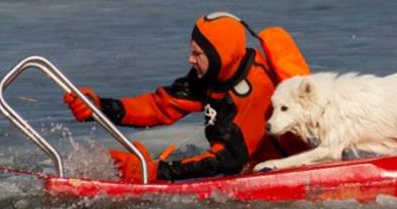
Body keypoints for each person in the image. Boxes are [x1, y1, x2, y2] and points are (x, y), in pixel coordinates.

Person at [63, 12, 307, 182]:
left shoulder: (253, 93)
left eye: (196, 53)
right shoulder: (215, 71)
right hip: (240, 166)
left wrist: (157, 171)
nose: (190, 59)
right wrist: (100, 107)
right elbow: (161, 105)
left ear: (219, 53)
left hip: (283, 171)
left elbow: (227, 160)